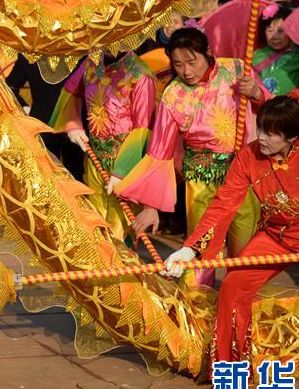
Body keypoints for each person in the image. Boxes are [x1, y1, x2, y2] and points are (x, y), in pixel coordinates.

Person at [162, 93, 299, 389]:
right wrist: (190, 249)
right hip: (277, 237)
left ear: (293, 137)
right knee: (232, 288)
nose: (260, 138)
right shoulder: (248, 156)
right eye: (259, 129)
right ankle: (231, 378)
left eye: (271, 133)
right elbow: (224, 204)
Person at [114, 27, 265, 288]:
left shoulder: (237, 71)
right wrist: (151, 206)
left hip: (242, 177)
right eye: (178, 64)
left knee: (246, 251)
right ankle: (197, 311)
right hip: (200, 182)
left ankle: (240, 306)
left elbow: (273, 113)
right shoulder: (173, 94)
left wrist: (255, 94)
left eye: (192, 62)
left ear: (208, 53)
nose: (186, 71)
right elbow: (159, 152)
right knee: (200, 250)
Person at [52, 51, 156, 241]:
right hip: (94, 158)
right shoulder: (91, 63)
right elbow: (70, 91)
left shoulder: (141, 74)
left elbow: (143, 129)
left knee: (118, 231)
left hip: (126, 163)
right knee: (95, 225)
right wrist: (73, 125)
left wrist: (122, 171)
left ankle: (122, 270)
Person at [252, 2, 299, 96]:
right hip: (264, 106)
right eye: (269, 30)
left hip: (292, 106)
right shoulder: (256, 54)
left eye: (280, 31)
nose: (275, 36)